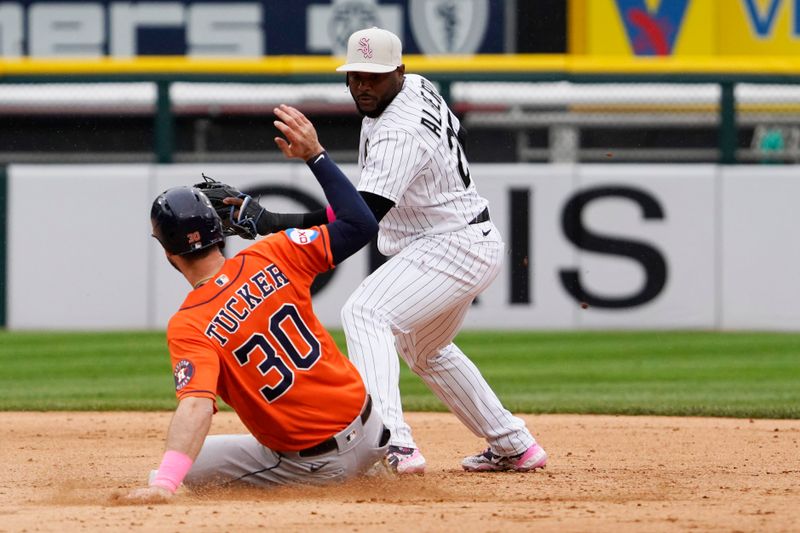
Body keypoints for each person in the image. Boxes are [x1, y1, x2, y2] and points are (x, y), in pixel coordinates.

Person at [231, 28, 548, 475]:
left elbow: (359, 220)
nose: (363, 85)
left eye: (375, 77)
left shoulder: (399, 132)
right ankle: (514, 444)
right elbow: (360, 207)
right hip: (463, 238)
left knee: (365, 312)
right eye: (355, 76)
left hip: (450, 245)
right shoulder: (418, 86)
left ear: (398, 72)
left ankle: (394, 445)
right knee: (425, 350)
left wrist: (273, 221)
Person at [125, 105, 387, 503]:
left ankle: (332, 475)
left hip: (318, 466)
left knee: (178, 470)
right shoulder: (275, 252)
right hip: (373, 431)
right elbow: (361, 223)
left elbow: (196, 407)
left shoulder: (190, 324)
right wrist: (316, 155)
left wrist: (164, 485)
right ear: (220, 232)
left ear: (168, 254)